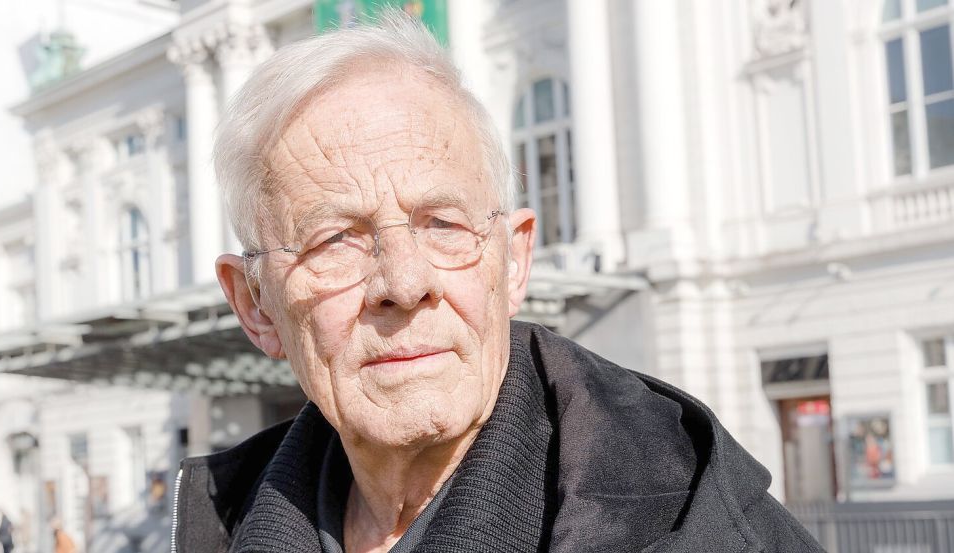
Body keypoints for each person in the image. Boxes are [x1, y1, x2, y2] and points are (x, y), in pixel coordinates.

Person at [175, 13, 825, 553]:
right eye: (335, 239)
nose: (403, 284)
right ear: (254, 304)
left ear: (512, 261)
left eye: (442, 223)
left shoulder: (697, 524)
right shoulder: (220, 523)